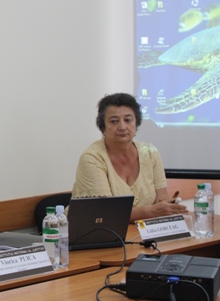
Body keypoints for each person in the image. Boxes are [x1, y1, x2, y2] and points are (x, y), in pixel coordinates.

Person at [72, 93, 187, 222]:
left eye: (128, 120)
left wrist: (167, 207)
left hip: (141, 230)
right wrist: (151, 211)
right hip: (96, 230)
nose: (122, 127)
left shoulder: (150, 152)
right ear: (103, 127)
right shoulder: (92, 158)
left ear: (136, 124)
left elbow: (162, 199)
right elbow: (105, 213)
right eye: (114, 121)